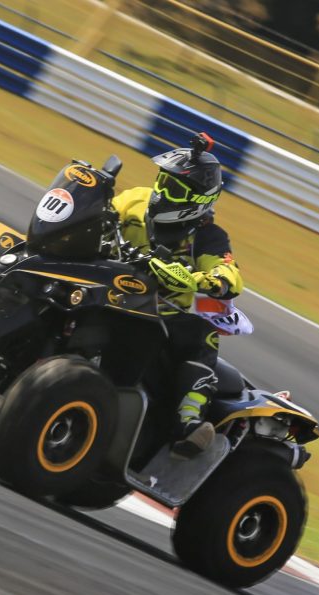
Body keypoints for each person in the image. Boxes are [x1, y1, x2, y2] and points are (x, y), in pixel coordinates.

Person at [111, 132, 243, 457]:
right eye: (162, 181)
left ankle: (188, 421)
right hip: (108, 284)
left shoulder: (208, 237)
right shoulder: (136, 199)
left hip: (160, 313)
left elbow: (229, 273)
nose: (162, 193)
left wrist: (204, 281)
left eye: (174, 189)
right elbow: (104, 212)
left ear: (198, 199)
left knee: (203, 331)